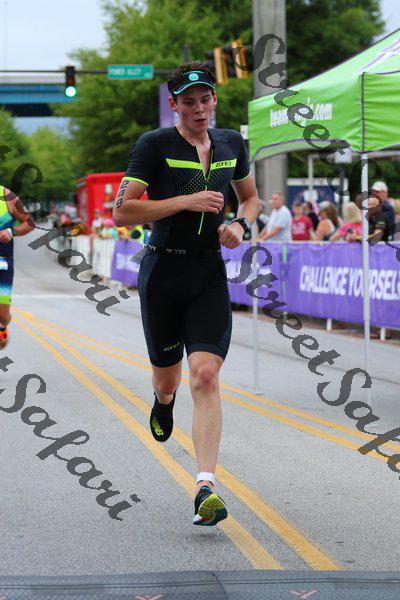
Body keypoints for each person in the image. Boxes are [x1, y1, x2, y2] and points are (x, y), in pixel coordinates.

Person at [113, 61, 260, 527]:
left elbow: (250, 198)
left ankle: (205, 487)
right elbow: (122, 211)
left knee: (206, 375)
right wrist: (186, 201)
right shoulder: (154, 144)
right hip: (163, 271)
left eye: (205, 99)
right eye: (189, 102)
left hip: (207, 274)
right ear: (174, 104)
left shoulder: (232, 143)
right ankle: (163, 400)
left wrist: (240, 224)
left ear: (214, 99)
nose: (199, 109)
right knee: (167, 379)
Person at [0, 185, 35, 348]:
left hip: (2, 263)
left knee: (2, 315)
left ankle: (2, 325)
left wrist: (11, 231)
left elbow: (29, 222)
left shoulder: (6, 195)